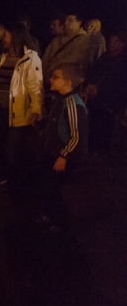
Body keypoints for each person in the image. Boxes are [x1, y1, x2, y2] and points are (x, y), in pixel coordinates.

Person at [0, 23, 43, 190]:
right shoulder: (3, 57)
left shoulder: (30, 59)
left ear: (16, 37)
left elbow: (36, 87)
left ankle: (18, 182)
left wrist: (36, 110)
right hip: (1, 110)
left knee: (12, 150)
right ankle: (2, 175)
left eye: (5, 35)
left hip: (19, 112)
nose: (2, 38)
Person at [34, 63, 88, 233]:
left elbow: (76, 136)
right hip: (54, 152)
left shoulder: (73, 104)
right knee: (45, 183)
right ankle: (49, 215)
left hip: (66, 155)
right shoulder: (61, 98)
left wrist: (63, 156)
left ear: (67, 82)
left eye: (55, 77)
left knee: (52, 187)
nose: (51, 79)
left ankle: (60, 223)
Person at [84, 32, 127, 156]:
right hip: (96, 100)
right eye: (110, 41)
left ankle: (105, 152)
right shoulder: (103, 58)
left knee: (108, 127)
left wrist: (102, 90)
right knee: (94, 125)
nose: (111, 44)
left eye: (115, 41)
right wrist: (90, 86)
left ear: (122, 43)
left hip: (112, 102)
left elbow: (121, 83)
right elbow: (93, 73)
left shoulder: (124, 61)